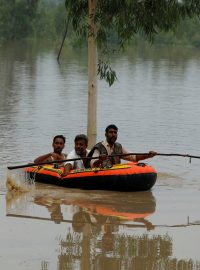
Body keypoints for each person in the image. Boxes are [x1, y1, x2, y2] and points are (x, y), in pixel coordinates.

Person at [88, 124, 157, 168]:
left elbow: (134, 157)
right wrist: (100, 160)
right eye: (111, 132)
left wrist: (148, 155)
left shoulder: (118, 147)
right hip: (102, 175)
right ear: (106, 134)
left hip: (116, 174)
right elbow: (92, 164)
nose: (113, 134)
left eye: (115, 132)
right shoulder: (99, 147)